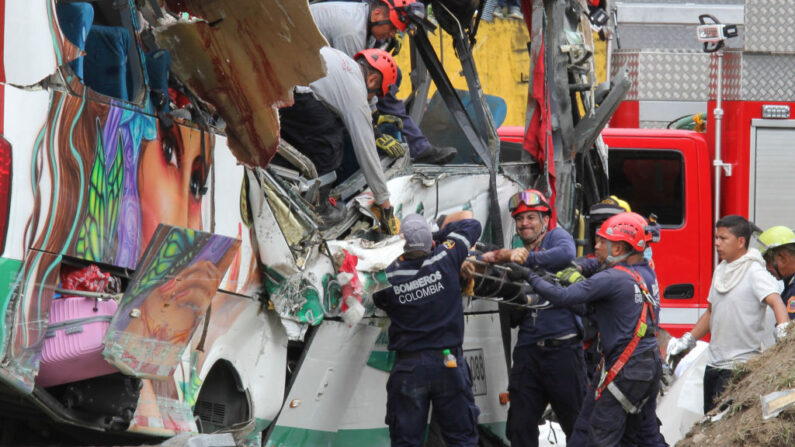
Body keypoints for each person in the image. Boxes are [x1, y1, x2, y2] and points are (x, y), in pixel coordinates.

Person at [515, 212, 664, 446]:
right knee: (641, 434)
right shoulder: (646, 272)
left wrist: (530, 276)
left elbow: (562, 297)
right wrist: (566, 276)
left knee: (600, 436)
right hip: (645, 365)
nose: (595, 247)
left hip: (626, 367)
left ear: (617, 249)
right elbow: (592, 310)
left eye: (601, 242)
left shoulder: (612, 278)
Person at [480, 189, 586, 446]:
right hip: (528, 354)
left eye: (530, 217)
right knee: (519, 428)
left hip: (563, 353)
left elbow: (566, 254)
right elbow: (515, 316)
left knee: (579, 428)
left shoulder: (556, 237)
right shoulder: (513, 254)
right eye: (519, 219)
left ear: (545, 220)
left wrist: (525, 263)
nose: (524, 223)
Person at [373, 212, 482, 446]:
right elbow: (472, 225)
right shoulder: (446, 258)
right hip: (450, 363)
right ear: (432, 244)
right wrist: (433, 236)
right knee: (461, 439)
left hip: (409, 370)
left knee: (406, 441)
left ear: (401, 246)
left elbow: (379, 300)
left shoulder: (388, 277)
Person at [667, 215, 791, 413]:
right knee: (709, 419)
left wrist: (783, 329)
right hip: (714, 365)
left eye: (723, 238)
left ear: (741, 242)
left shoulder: (754, 271)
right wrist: (688, 340)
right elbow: (711, 312)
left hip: (738, 369)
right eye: (716, 238)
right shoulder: (721, 270)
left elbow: (776, 301)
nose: (717, 243)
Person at [309, 0, 458, 164]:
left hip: (314, 62)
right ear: (377, 14)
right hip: (297, 73)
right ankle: (418, 147)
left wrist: (374, 113)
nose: (394, 34)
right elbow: (352, 85)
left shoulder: (367, 23)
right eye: (393, 28)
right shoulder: (351, 33)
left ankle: (418, 146)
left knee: (392, 76)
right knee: (334, 133)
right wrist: (374, 131)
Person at [278, 47, 399, 233]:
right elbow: (367, 153)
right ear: (372, 79)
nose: (372, 99)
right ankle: (319, 209)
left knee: (328, 120)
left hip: (277, 81)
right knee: (331, 139)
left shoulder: (342, 59)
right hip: (292, 95)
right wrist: (385, 205)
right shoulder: (356, 91)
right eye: (375, 94)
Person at [759, 225, 795, 320]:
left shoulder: (793, 289)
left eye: (767, 261)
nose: (767, 268)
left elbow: (789, 330)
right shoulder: (789, 283)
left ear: (782, 257)